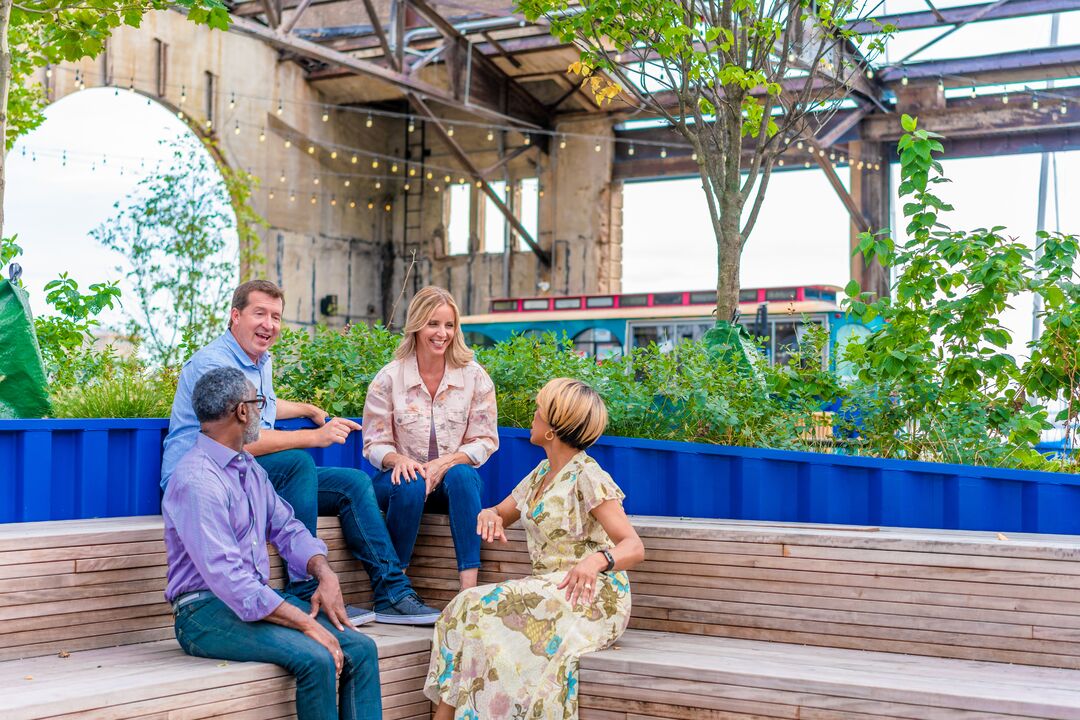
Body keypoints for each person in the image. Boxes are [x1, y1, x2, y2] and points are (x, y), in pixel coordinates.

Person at [162, 280, 439, 624]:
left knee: (352, 484)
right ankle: (304, 589)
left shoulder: (259, 358)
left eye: (276, 316)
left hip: (246, 473)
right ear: (235, 316)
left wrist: (308, 409)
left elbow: (263, 409)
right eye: (259, 313)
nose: (269, 324)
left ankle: (391, 592)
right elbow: (242, 437)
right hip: (207, 479)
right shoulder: (214, 364)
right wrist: (314, 437)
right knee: (296, 463)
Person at [164, 367, 381, 720]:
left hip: (252, 598)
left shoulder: (248, 466)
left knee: (362, 649)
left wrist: (324, 572)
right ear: (242, 411)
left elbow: (287, 528)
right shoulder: (197, 480)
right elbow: (230, 579)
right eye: (258, 402)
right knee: (316, 657)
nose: (262, 412)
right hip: (204, 613)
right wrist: (307, 624)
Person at [424, 378, 645, 720]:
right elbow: (501, 510)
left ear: (553, 430)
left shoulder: (588, 475)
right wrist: (488, 514)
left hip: (591, 597)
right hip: (549, 590)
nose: (533, 416)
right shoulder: (542, 473)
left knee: (475, 607)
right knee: (462, 609)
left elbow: (633, 546)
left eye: (538, 411)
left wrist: (595, 562)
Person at [363, 286, 498, 590]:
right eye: (433, 324)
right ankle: (395, 589)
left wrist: (445, 463)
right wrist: (398, 460)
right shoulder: (389, 378)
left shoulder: (474, 377)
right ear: (416, 325)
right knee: (409, 479)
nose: (442, 333)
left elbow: (484, 439)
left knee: (462, 475)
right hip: (398, 485)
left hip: (452, 486)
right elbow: (374, 443)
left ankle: (468, 592)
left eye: (449, 325)